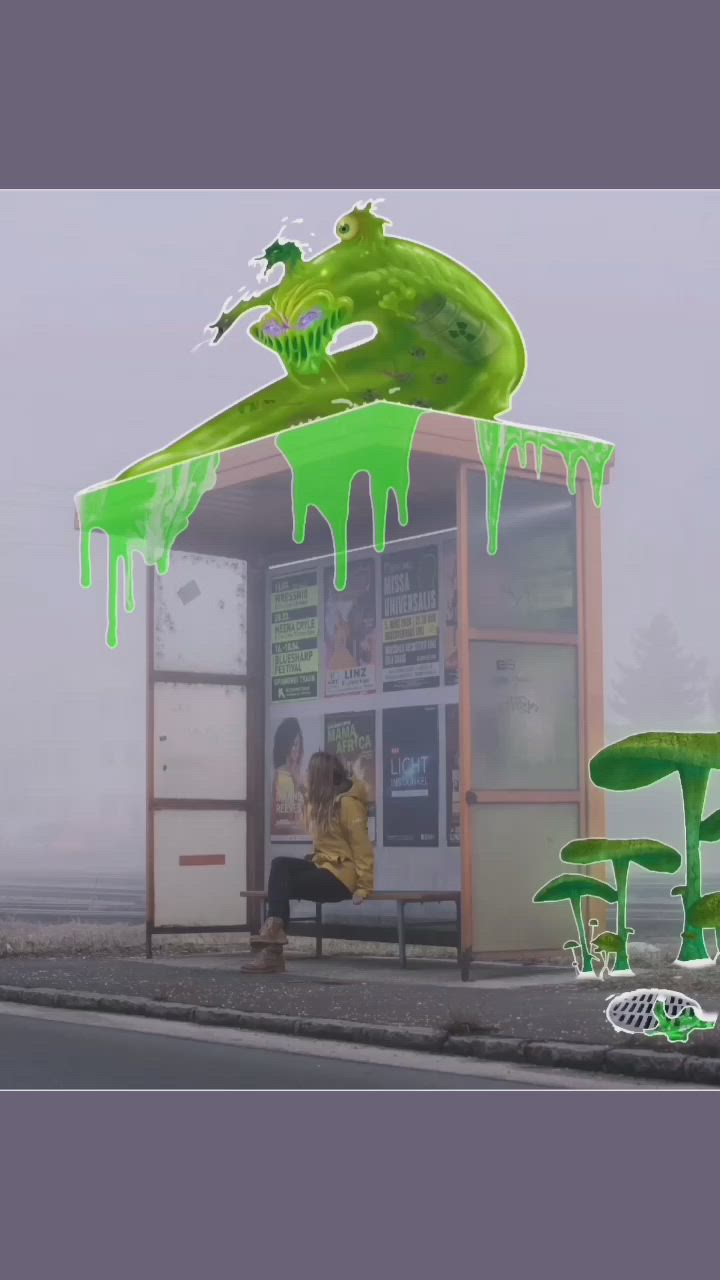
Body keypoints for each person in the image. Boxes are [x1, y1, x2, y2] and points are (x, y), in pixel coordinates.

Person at [242, 751, 375, 974]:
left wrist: (364, 887)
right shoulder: (320, 804)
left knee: (281, 886)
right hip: (324, 867)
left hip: (341, 877)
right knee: (280, 865)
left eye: (309, 772)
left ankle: (272, 951)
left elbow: (362, 847)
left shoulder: (348, 804)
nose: (306, 776)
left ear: (320, 776)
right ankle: (274, 931)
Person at [270, 718, 305, 836]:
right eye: (293, 744)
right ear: (285, 745)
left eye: (298, 743)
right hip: (287, 835)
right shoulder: (281, 774)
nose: (296, 749)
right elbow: (286, 816)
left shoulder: (304, 774)